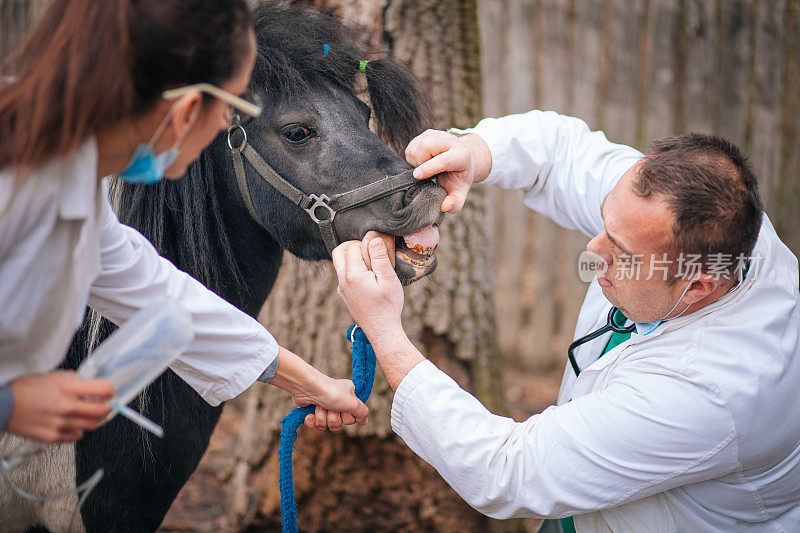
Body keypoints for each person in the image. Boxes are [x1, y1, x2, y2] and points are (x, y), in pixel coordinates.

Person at [331, 110, 800, 531]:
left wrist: (385, 332)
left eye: (623, 253)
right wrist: (475, 151)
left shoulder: (713, 392)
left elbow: (507, 473)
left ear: (698, 286)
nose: (594, 251)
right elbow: (560, 153)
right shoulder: (696, 221)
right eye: (603, 223)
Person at [0, 0, 367, 445]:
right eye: (231, 108)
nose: (223, 128)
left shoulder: (73, 183)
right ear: (185, 113)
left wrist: (311, 383)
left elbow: (159, 293)